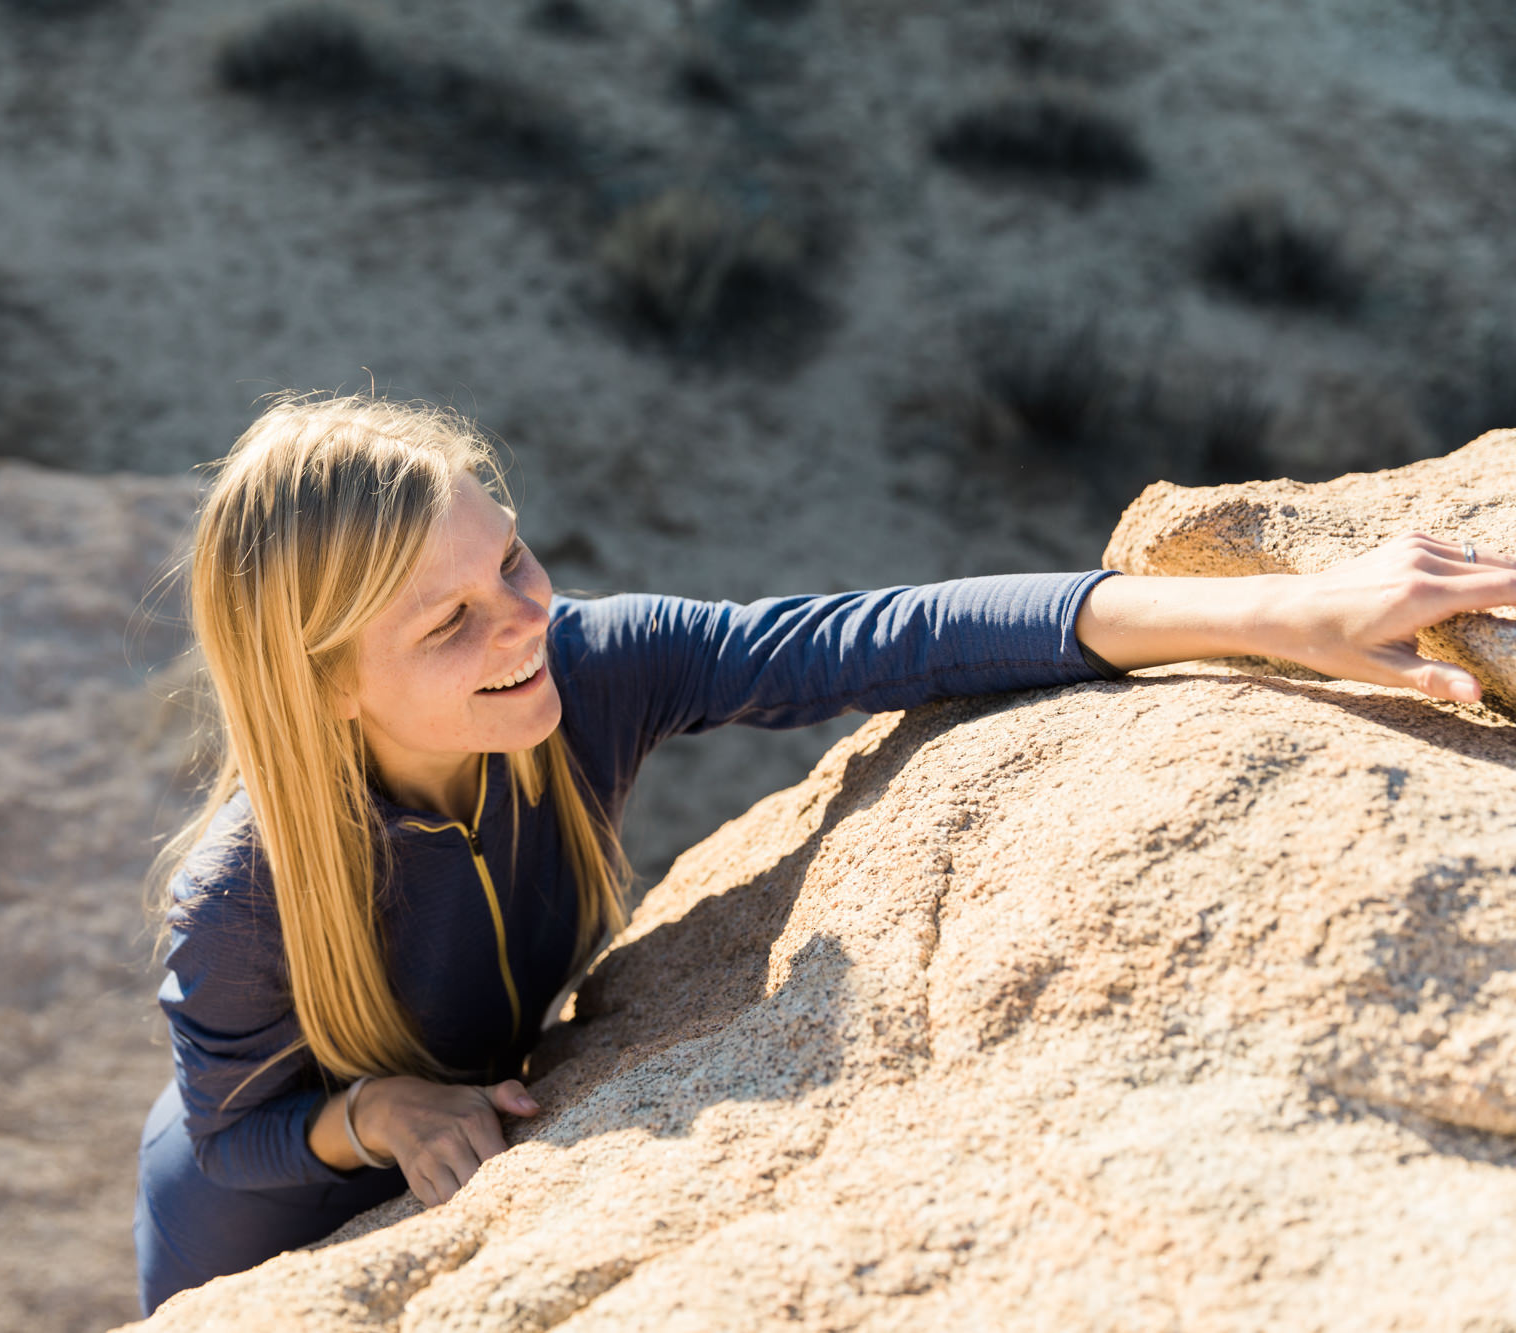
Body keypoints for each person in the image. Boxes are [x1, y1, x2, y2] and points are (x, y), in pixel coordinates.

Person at [132, 391, 1511, 1312]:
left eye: (514, 563)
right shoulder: (241, 899)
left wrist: (1283, 617)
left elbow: (889, 632)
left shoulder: (588, 673)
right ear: (324, 687)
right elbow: (229, 1133)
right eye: (448, 622)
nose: (521, 620)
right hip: (243, 1236)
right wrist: (375, 1112)